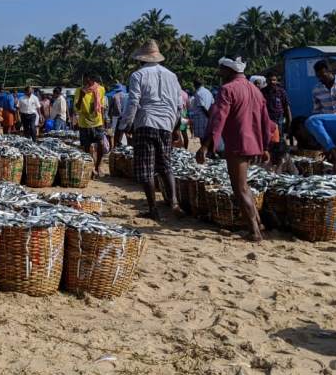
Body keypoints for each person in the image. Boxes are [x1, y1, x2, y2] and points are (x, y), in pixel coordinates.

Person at [196, 57, 271, 242]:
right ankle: (258, 222)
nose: (219, 74)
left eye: (221, 70)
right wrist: (266, 145)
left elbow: (218, 118)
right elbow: (265, 120)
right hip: (254, 144)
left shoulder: (227, 89)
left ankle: (254, 231)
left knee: (240, 188)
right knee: (244, 185)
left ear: (228, 70)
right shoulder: (255, 89)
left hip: (238, 144)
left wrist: (206, 145)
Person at [117, 40, 183, 219]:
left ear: (142, 59)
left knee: (146, 168)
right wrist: (176, 126)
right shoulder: (172, 75)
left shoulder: (138, 75)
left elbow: (133, 102)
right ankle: (174, 202)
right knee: (165, 165)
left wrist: (125, 125)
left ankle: (153, 209)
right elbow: (179, 104)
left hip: (146, 122)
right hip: (166, 124)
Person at [76, 72, 107, 177]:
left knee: (101, 144)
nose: (86, 84)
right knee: (87, 147)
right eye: (85, 81)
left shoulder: (101, 89)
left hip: (97, 122)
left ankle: (98, 166)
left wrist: (103, 121)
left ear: (93, 81)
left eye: (88, 81)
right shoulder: (79, 90)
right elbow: (77, 107)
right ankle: (91, 167)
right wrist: (81, 96)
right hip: (84, 123)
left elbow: (101, 106)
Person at [260, 74, 292, 141]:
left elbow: (286, 106)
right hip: (267, 119)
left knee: (279, 138)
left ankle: (280, 149)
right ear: (266, 81)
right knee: (267, 137)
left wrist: (289, 121)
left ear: (277, 81)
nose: (272, 82)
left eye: (274, 80)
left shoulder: (281, 92)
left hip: (279, 119)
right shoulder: (262, 92)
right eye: (270, 80)